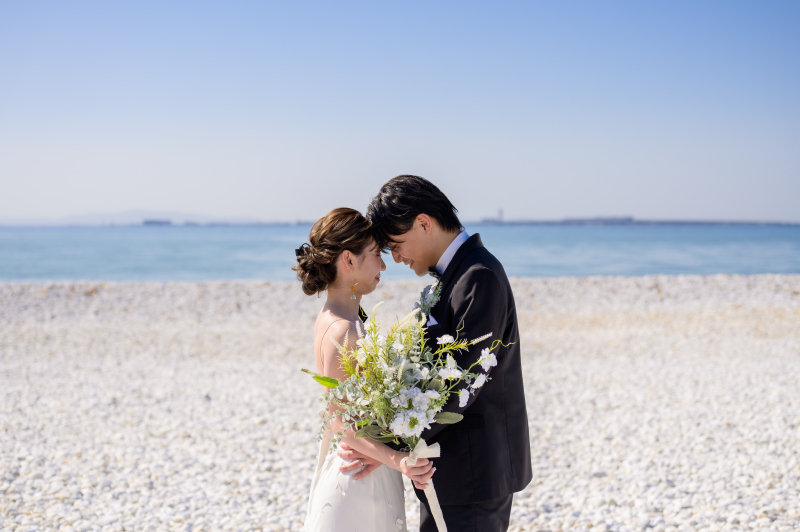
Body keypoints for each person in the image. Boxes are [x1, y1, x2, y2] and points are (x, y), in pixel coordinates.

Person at [340, 176, 533, 531]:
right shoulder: (455, 276)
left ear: (424, 223)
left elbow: (462, 385)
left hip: (475, 471)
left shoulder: (479, 276)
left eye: (396, 245)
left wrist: (387, 446)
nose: (396, 258)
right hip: (453, 469)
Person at [295, 207, 435, 532]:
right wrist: (398, 460)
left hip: (361, 464)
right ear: (348, 260)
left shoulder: (340, 317)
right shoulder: (344, 330)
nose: (383, 265)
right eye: (375, 254)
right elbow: (341, 421)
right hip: (357, 480)